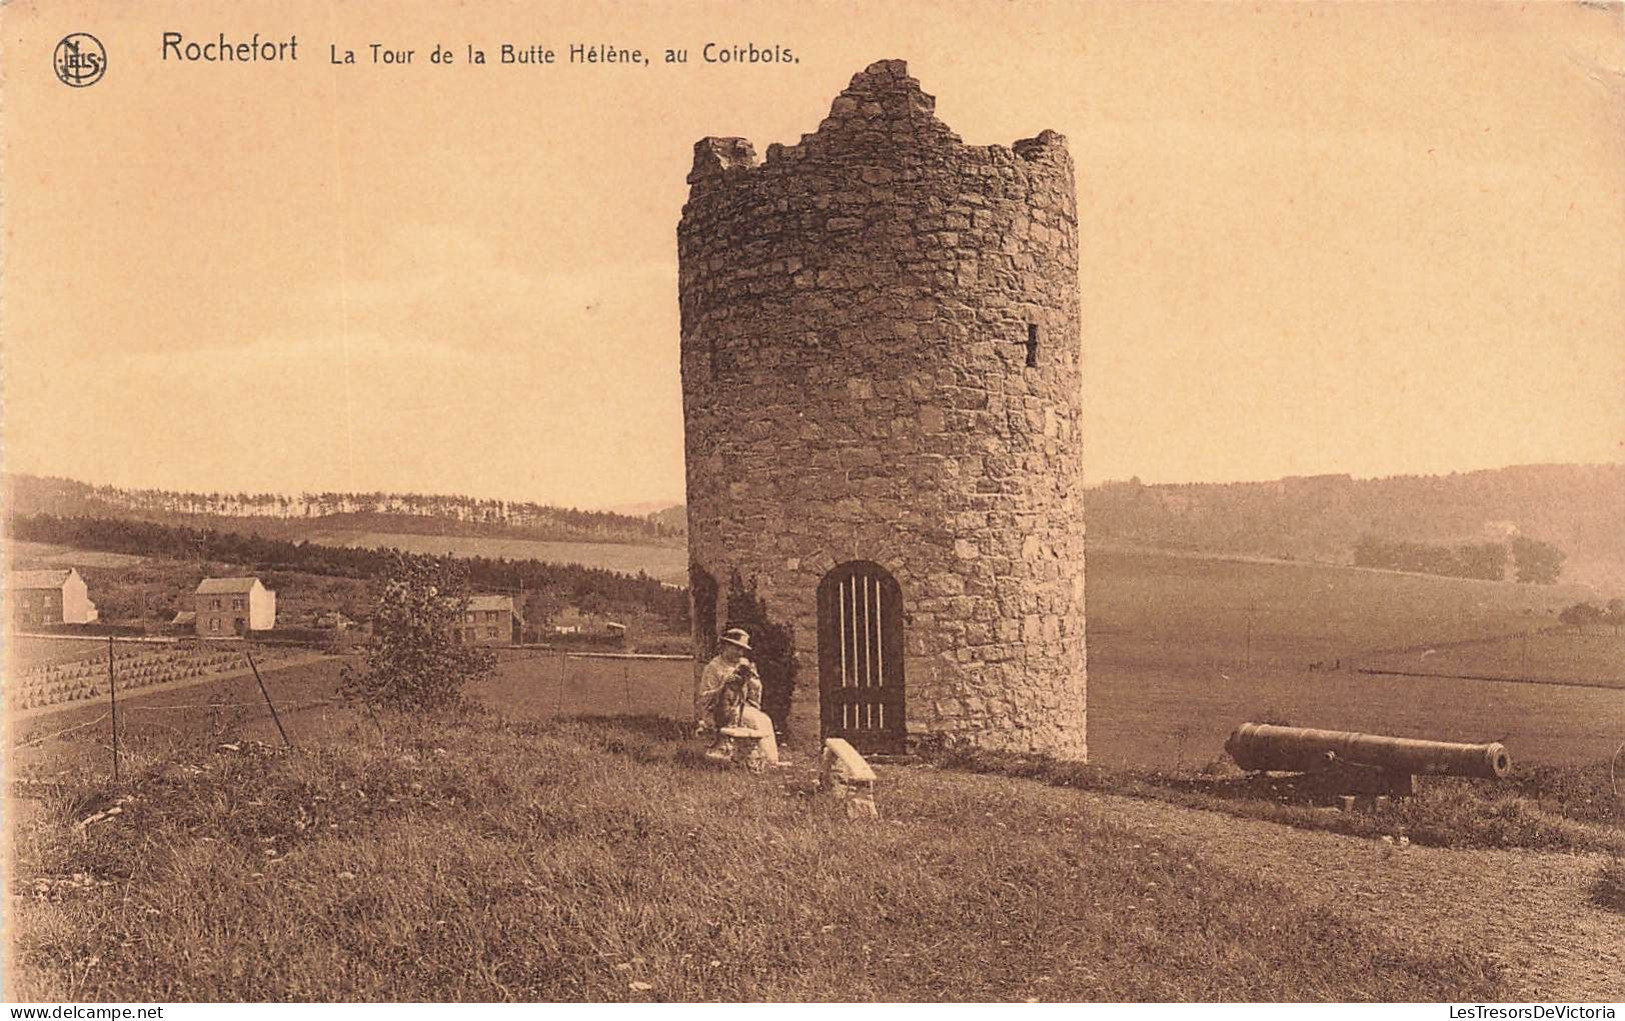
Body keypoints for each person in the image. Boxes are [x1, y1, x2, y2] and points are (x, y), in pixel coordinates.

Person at [696, 627, 779, 766]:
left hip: (741, 706)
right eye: (736, 648)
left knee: (764, 719)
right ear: (726, 646)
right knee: (754, 719)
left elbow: (753, 695)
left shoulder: (744, 664)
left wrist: (753, 680)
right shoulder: (714, 667)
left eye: (742, 650)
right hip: (721, 710)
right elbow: (704, 698)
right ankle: (764, 761)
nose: (740, 653)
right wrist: (724, 685)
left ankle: (770, 759)